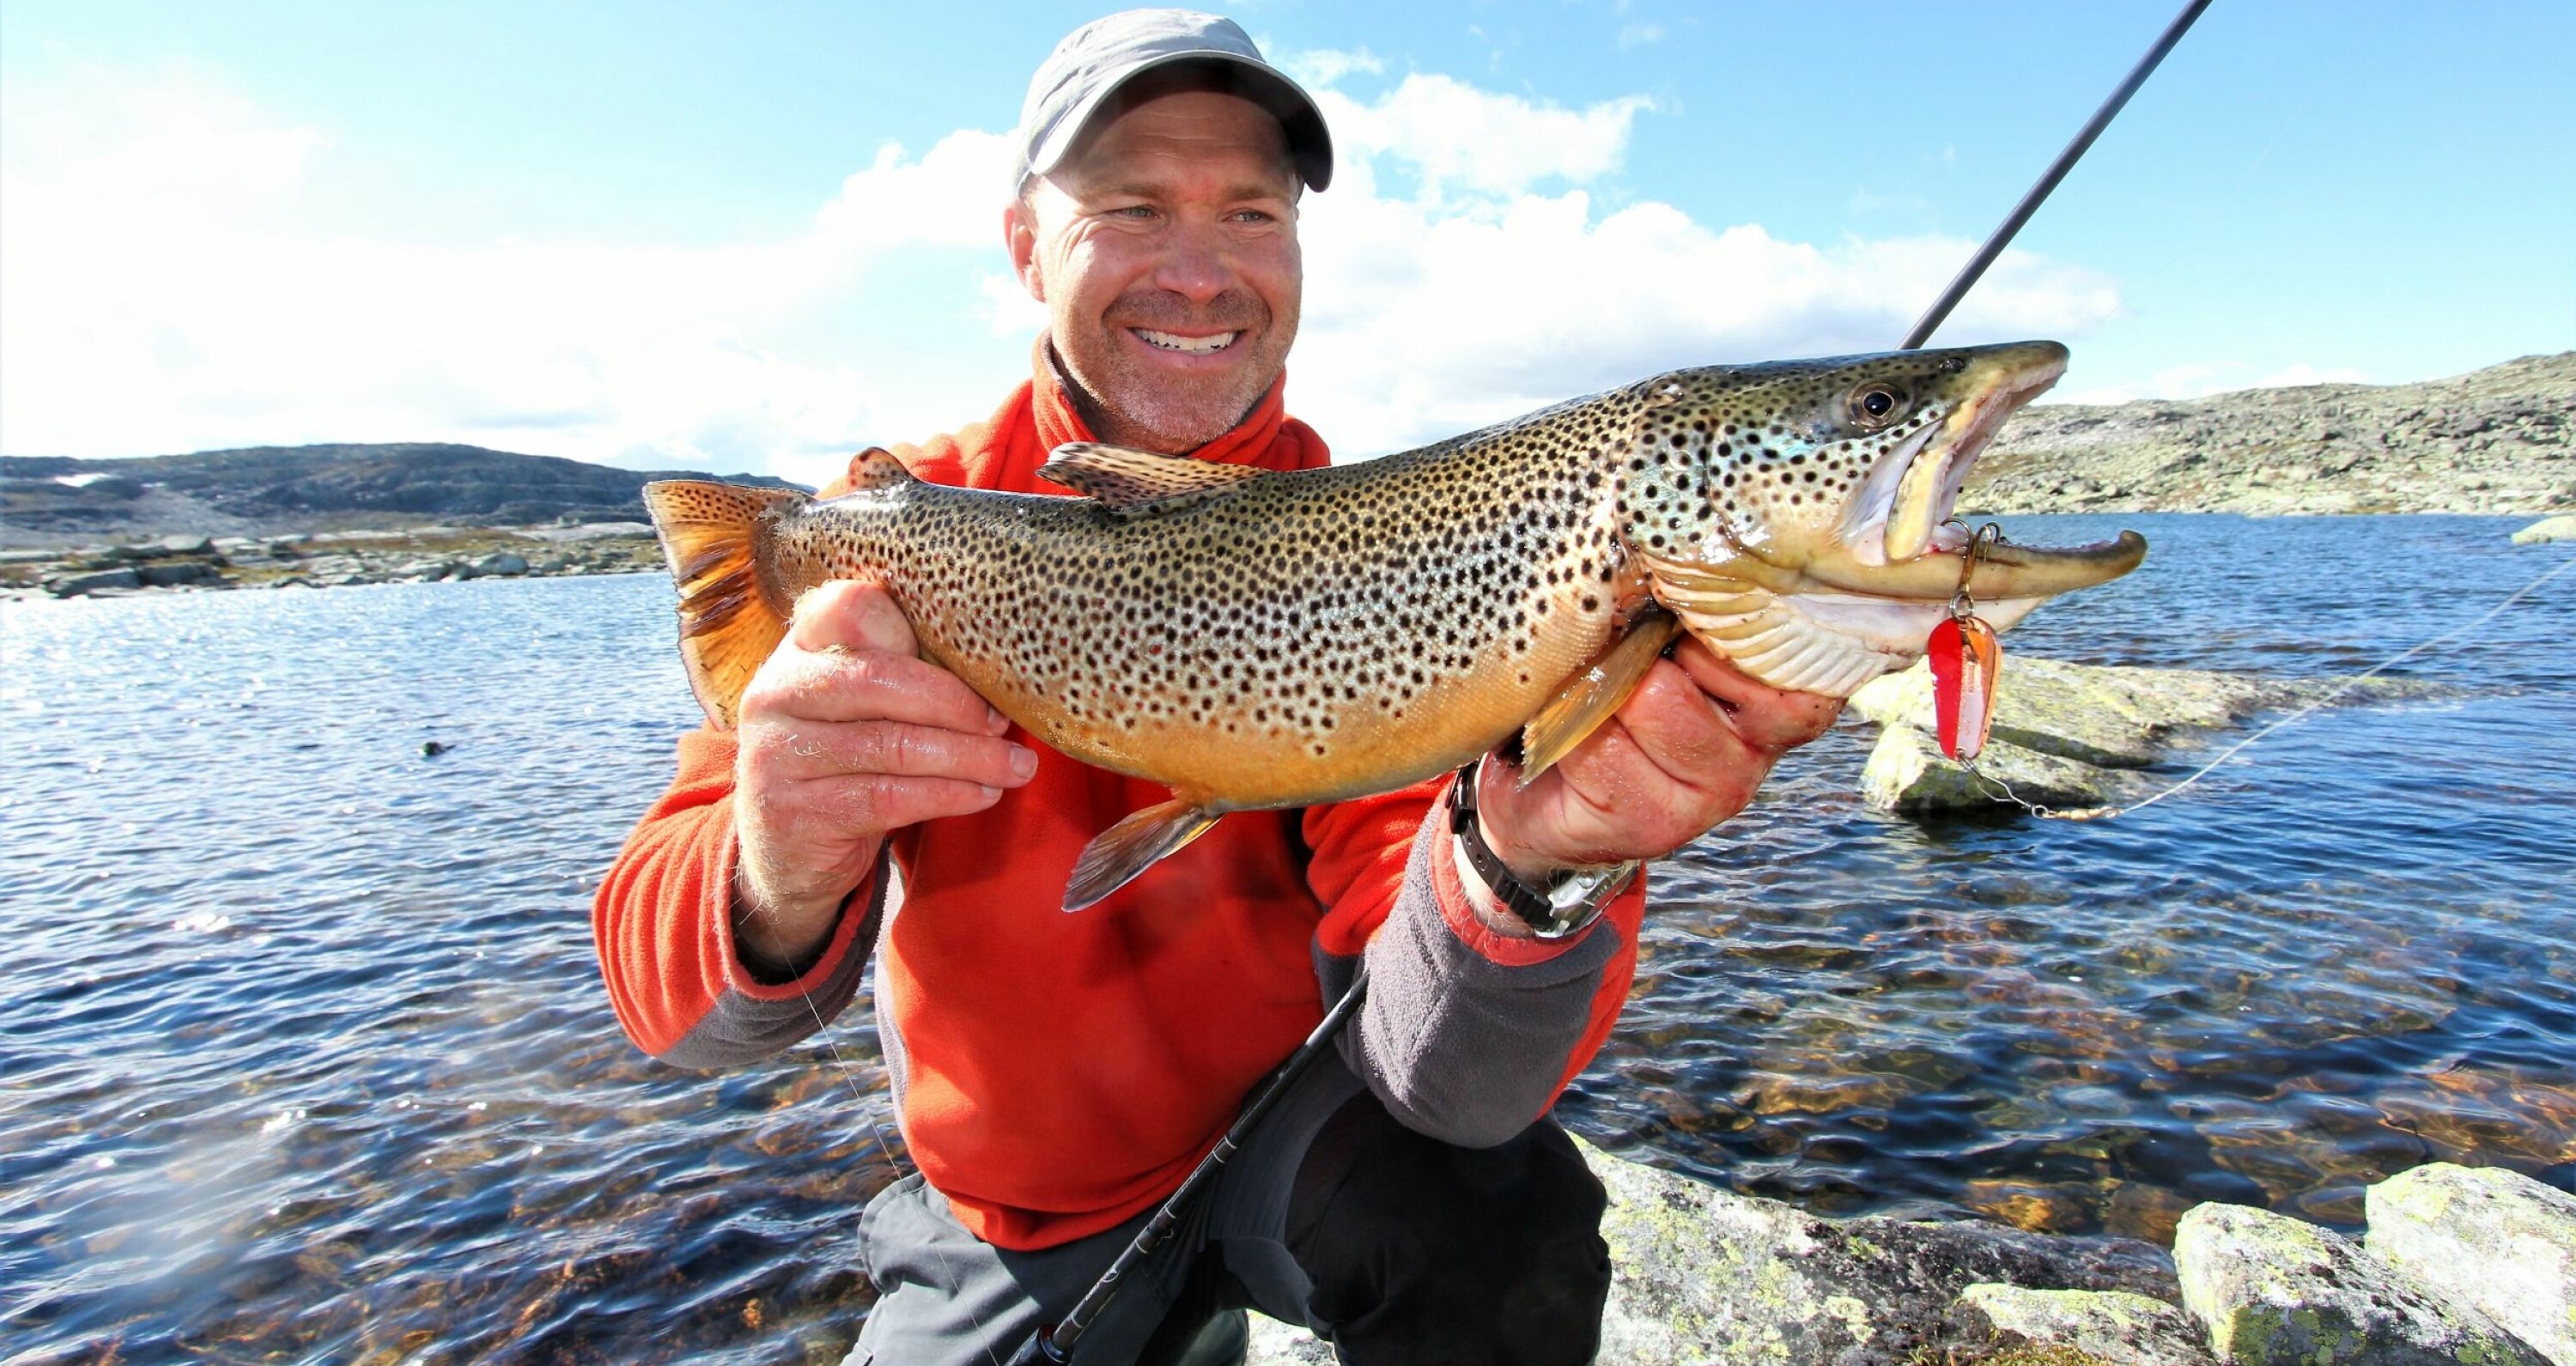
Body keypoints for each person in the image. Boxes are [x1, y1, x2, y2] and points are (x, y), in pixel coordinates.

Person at [593, 10, 1841, 1364]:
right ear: (1025, 246)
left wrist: (1533, 869)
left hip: (1302, 1143)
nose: (1198, 275)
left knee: (1505, 1232)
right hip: (1011, 1222)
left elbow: (1455, 1090)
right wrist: (779, 865)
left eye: (1251, 213)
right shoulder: (890, 531)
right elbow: (672, 1018)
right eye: (1132, 208)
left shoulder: (1404, 553)